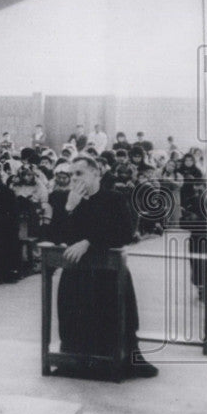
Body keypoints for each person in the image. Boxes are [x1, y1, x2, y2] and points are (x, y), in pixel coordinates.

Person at [53, 156, 158, 378]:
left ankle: (126, 358)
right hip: (77, 273)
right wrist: (69, 208)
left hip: (108, 273)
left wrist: (89, 241)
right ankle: (74, 359)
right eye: (72, 174)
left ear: (95, 173)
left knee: (115, 314)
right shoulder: (67, 199)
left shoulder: (113, 199)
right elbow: (57, 235)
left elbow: (125, 233)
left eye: (79, 174)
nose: (74, 179)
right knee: (73, 315)